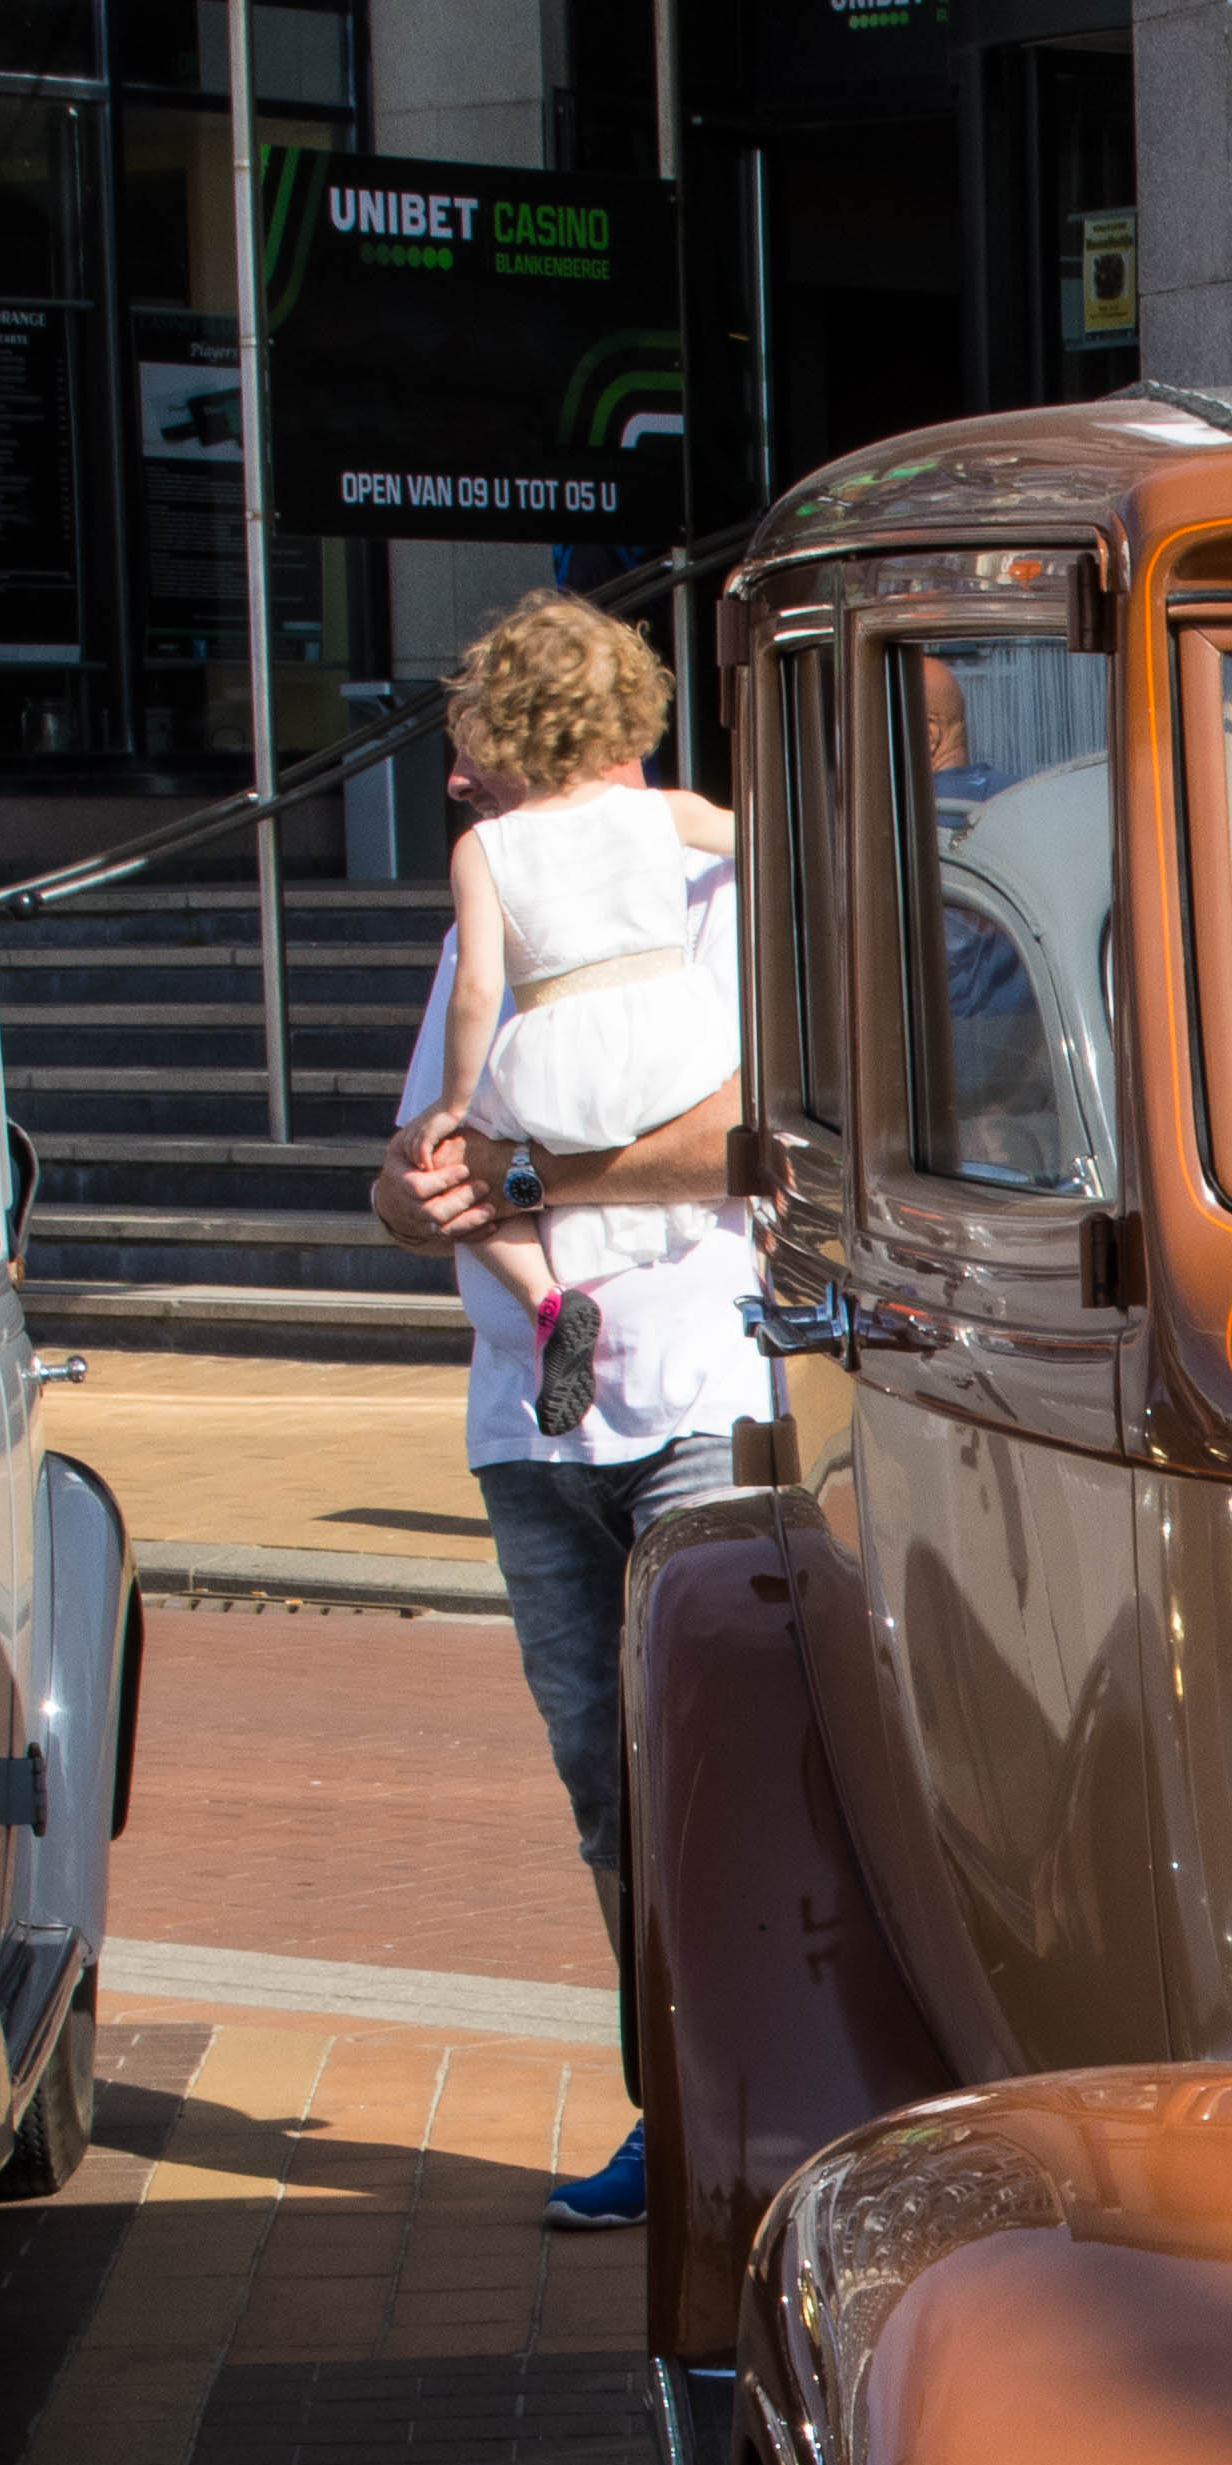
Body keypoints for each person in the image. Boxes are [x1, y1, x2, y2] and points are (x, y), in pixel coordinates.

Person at [369, 604, 763, 2230]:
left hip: (695, 1387)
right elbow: (416, 1171)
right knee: (611, 1790)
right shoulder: (501, 908)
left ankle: (755, 2109)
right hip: (531, 1430)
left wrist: (521, 1177)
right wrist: (416, 1186)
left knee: (719, 1776)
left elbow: (750, 1139)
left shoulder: (718, 891)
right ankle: (670, 2111)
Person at [421, 593, 742, 1434]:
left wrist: (456, 1105)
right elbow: (768, 839)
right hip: (675, 1038)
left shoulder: (485, 848)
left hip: (561, 1050)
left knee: (464, 1160)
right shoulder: (661, 815)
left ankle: (547, 1298)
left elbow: (478, 992)